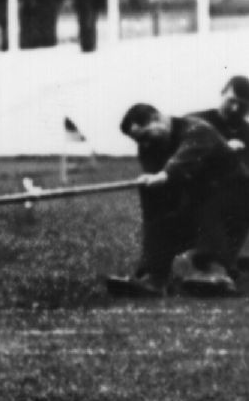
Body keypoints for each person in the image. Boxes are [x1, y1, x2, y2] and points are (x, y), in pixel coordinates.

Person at [105, 103, 249, 298]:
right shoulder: (150, 147)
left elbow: (182, 161)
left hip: (236, 204)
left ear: (158, 119)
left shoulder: (197, 129)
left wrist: (163, 176)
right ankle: (154, 279)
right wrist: (152, 256)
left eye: (146, 136)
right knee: (159, 205)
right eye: (139, 141)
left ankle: (216, 272)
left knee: (206, 204)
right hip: (198, 205)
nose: (145, 145)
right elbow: (157, 193)